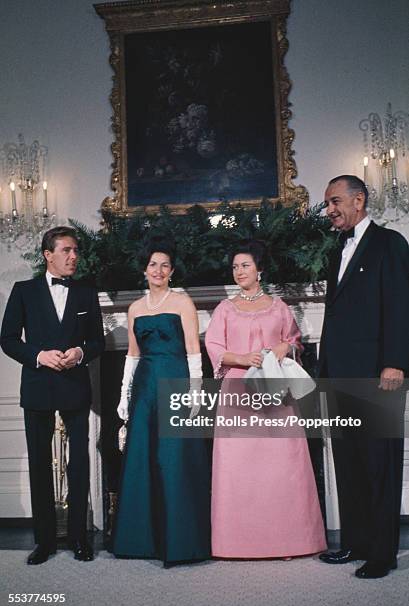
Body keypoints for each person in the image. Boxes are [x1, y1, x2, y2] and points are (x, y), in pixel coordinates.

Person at [205, 239, 326, 559]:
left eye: (245, 265)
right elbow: (214, 348)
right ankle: (235, 544)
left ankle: (291, 541)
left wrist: (287, 347)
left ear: (260, 269)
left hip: (275, 393)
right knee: (238, 467)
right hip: (237, 393)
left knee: (281, 463)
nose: (239, 271)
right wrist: (244, 359)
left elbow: (294, 341)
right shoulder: (224, 309)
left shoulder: (279, 307)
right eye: (235, 266)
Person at [318, 175, 409, 579]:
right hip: (339, 374)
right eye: (327, 204)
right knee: (349, 462)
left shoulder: (390, 244)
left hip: (378, 374)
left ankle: (383, 554)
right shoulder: (335, 248)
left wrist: (396, 362)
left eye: (336, 201)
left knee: (378, 464)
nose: (330, 210)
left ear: (359, 200)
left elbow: (401, 306)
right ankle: (356, 542)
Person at [0, 226, 105, 565]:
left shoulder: (87, 292)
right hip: (38, 388)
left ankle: (78, 538)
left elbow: (98, 343)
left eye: (76, 251)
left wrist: (80, 353)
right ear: (48, 254)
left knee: (79, 465)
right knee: (40, 465)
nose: (74, 256)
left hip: (75, 387)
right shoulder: (24, 290)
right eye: (66, 251)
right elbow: (8, 338)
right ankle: (44, 542)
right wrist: (38, 356)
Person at [112, 236, 210, 566]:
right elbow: (132, 355)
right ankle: (141, 542)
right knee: (142, 459)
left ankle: (182, 543)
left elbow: (194, 351)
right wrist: (125, 399)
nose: (158, 270)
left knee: (174, 460)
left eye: (164, 265)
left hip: (176, 381)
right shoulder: (135, 309)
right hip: (144, 389)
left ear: (171, 271)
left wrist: (196, 393)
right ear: (144, 269)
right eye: (153, 264)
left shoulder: (183, 302)